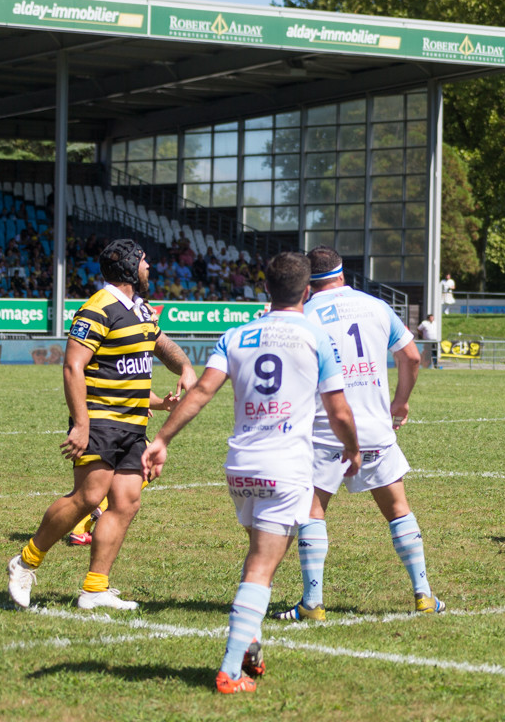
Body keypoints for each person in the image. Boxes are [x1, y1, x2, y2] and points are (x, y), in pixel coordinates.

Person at [140, 252, 361, 694]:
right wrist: (353, 450)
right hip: (284, 468)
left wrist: (162, 439)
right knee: (263, 568)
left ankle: (250, 644)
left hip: (240, 468)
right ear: (306, 291)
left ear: (265, 289)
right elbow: (337, 410)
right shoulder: (316, 336)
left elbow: (202, 391)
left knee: (257, 559)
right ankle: (229, 671)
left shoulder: (236, 335)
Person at [7, 239, 196, 611]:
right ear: (128, 269)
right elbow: (72, 365)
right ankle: (25, 563)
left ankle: (95, 588)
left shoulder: (140, 310)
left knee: (126, 501)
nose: (149, 267)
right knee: (90, 497)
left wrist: (186, 366)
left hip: (133, 425)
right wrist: (80, 424)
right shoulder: (97, 309)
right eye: (144, 262)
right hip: (100, 421)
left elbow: (162, 345)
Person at [272, 246, 444, 622]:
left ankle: (313, 603)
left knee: (313, 511)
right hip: (373, 425)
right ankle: (424, 595)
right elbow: (412, 357)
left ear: (306, 279)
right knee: (398, 509)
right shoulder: (376, 306)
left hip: (323, 427)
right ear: (342, 272)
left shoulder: (303, 314)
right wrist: (400, 402)